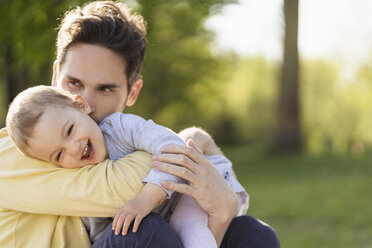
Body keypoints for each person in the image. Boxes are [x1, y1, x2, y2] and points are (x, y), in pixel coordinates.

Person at [0, 1, 280, 247]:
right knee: (140, 230)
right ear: (55, 74)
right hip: (132, 237)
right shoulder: (17, 148)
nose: (86, 103)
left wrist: (220, 217)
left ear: (132, 93)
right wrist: (192, 143)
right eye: (73, 83)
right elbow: (126, 185)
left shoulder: (119, 133)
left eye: (106, 89)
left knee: (253, 234)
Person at [6, 85, 248, 248]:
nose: (73, 148)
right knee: (140, 228)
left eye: (70, 130)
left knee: (252, 232)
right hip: (121, 237)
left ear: (81, 106)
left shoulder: (120, 127)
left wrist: (146, 198)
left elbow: (171, 145)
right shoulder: (55, 173)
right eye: (58, 154)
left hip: (170, 212)